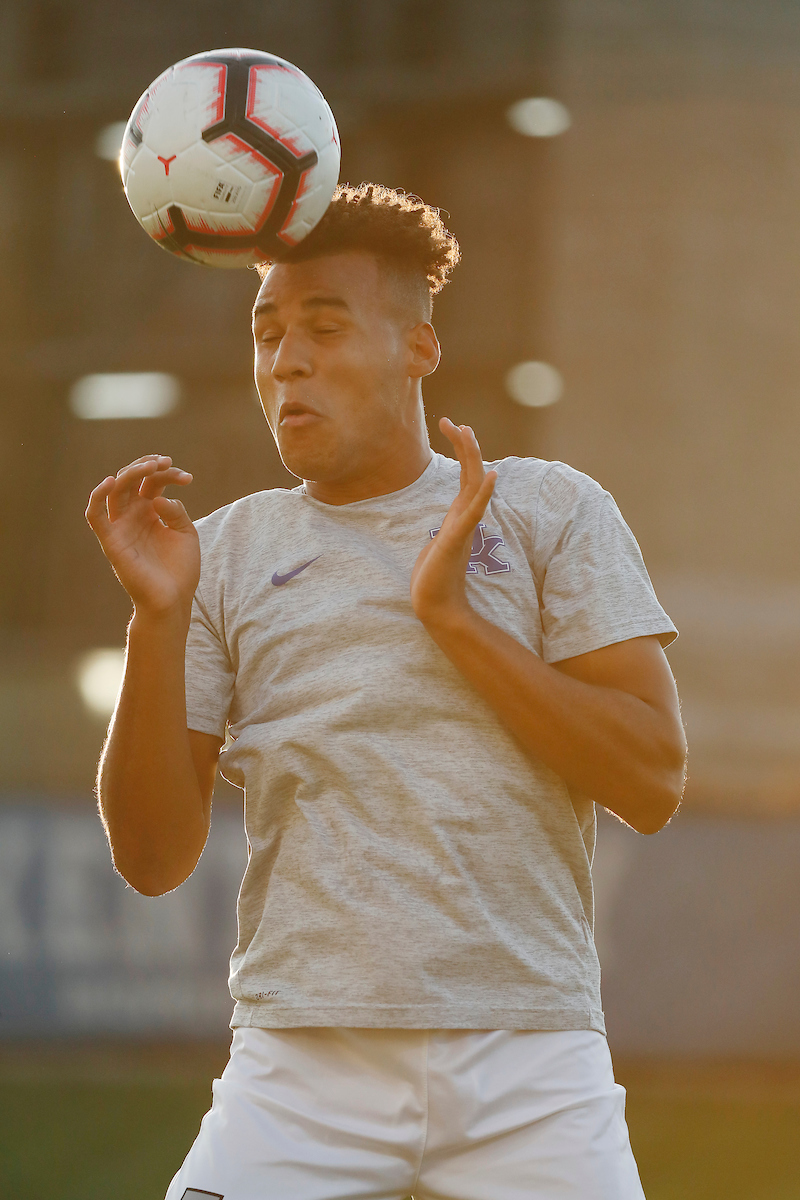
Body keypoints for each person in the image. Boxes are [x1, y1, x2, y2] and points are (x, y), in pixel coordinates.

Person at [86, 183, 686, 1200]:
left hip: (529, 1058)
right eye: (267, 333)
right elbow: (151, 859)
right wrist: (155, 618)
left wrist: (453, 620)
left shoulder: (545, 508)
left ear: (418, 346)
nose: (287, 361)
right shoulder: (219, 554)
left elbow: (651, 779)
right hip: (300, 1065)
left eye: (324, 327)